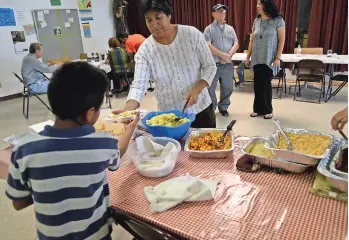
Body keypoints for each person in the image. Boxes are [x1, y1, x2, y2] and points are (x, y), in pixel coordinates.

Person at [5, 62, 139, 239]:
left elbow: (18, 203)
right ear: (90, 113)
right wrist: (129, 129)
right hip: (96, 235)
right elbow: (118, 155)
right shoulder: (103, 143)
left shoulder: (24, 149)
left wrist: (49, 187)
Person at [115, 0, 217, 128]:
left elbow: (210, 66)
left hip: (201, 110)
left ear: (169, 15)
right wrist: (128, 110)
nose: (154, 24)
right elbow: (139, 85)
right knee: (174, 148)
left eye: (158, 18)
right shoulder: (145, 50)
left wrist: (197, 89)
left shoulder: (191, 34)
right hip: (170, 117)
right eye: (149, 20)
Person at [246, 0, 285, 120]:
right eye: (257, 4)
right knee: (257, 85)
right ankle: (257, 109)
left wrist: (278, 57)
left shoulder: (278, 20)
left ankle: (268, 110)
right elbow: (252, 40)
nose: (257, 6)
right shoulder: (256, 21)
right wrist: (248, 56)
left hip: (269, 58)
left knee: (266, 85)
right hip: (257, 58)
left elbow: (281, 40)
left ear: (266, 5)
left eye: (259, 4)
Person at [204, 4, 239, 117]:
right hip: (213, 65)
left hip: (227, 65)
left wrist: (228, 56)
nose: (222, 13)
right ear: (213, 14)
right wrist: (222, 55)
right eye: (219, 11)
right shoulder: (209, 29)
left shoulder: (230, 29)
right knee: (210, 89)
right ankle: (212, 108)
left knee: (228, 87)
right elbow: (208, 45)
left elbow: (236, 43)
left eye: (223, 11)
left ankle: (223, 107)